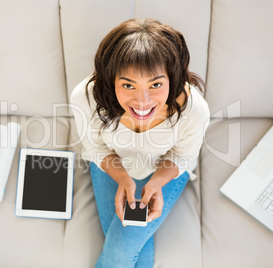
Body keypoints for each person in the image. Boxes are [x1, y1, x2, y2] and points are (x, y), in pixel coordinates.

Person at [70, 18, 210, 268]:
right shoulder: (85, 98)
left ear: (172, 78)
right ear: (111, 80)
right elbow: (95, 148)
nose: (142, 101)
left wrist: (157, 182)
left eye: (156, 84)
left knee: (118, 254)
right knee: (130, 252)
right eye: (128, 85)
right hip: (109, 164)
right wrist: (123, 179)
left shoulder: (194, 110)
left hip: (164, 169)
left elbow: (183, 156)